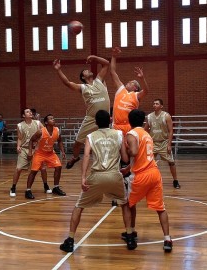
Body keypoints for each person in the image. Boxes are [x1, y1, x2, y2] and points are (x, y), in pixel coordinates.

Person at [60, 110, 135, 252]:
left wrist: (83, 177)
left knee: (78, 207)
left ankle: (70, 240)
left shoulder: (90, 136)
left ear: (95, 122)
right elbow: (125, 159)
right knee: (125, 205)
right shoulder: (119, 134)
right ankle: (130, 237)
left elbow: (87, 156)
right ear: (110, 120)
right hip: (114, 175)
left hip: (96, 176)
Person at [125, 109, 173, 252]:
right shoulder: (147, 134)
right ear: (143, 121)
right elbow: (142, 155)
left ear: (129, 121)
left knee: (128, 205)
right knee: (160, 208)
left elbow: (133, 152)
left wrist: (124, 149)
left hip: (141, 175)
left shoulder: (132, 134)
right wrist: (128, 168)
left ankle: (131, 231)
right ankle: (167, 239)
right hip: (154, 173)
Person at [53, 55, 110, 169]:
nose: (88, 70)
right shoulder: (83, 87)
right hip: (91, 119)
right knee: (77, 144)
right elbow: (68, 83)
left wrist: (94, 57)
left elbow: (106, 63)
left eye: (88, 70)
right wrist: (59, 70)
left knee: (107, 143)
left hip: (105, 119)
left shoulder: (99, 80)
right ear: (83, 77)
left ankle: (107, 163)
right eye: (85, 71)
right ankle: (75, 158)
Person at [10, 108, 51, 197]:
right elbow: (20, 138)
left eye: (30, 111)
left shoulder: (37, 123)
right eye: (27, 112)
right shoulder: (20, 125)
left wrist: (39, 145)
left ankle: (46, 185)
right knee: (18, 169)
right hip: (24, 149)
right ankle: (13, 187)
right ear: (23, 115)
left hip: (36, 149)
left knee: (43, 168)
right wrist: (18, 146)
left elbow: (45, 133)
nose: (30, 112)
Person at [25, 114, 66, 199]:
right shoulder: (41, 131)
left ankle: (56, 187)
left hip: (50, 153)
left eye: (53, 118)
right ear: (46, 122)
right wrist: (30, 152)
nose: (53, 119)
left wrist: (62, 151)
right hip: (39, 153)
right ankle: (28, 190)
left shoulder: (57, 130)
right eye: (51, 119)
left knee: (58, 167)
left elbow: (60, 141)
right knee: (34, 171)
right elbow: (31, 140)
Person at [110, 46, 149, 137]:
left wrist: (142, 78)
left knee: (130, 151)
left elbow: (146, 91)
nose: (128, 82)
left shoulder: (136, 95)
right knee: (117, 151)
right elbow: (112, 72)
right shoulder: (121, 90)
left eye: (131, 82)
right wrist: (113, 57)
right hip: (116, 127)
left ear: (135, 87)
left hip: (129, 127)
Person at [144, 99, 180, 189]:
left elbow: (171, 130)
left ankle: (175, 181)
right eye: (154, 103)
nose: (154, 105)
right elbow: (145, 129)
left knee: (171, 162)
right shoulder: (149, 117)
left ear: (161, 106)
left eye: (156, 104)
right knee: (148, 163)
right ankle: (149, 181)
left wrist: (169, 144)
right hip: (153, 143)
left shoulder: (166, 116)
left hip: (164, 142)